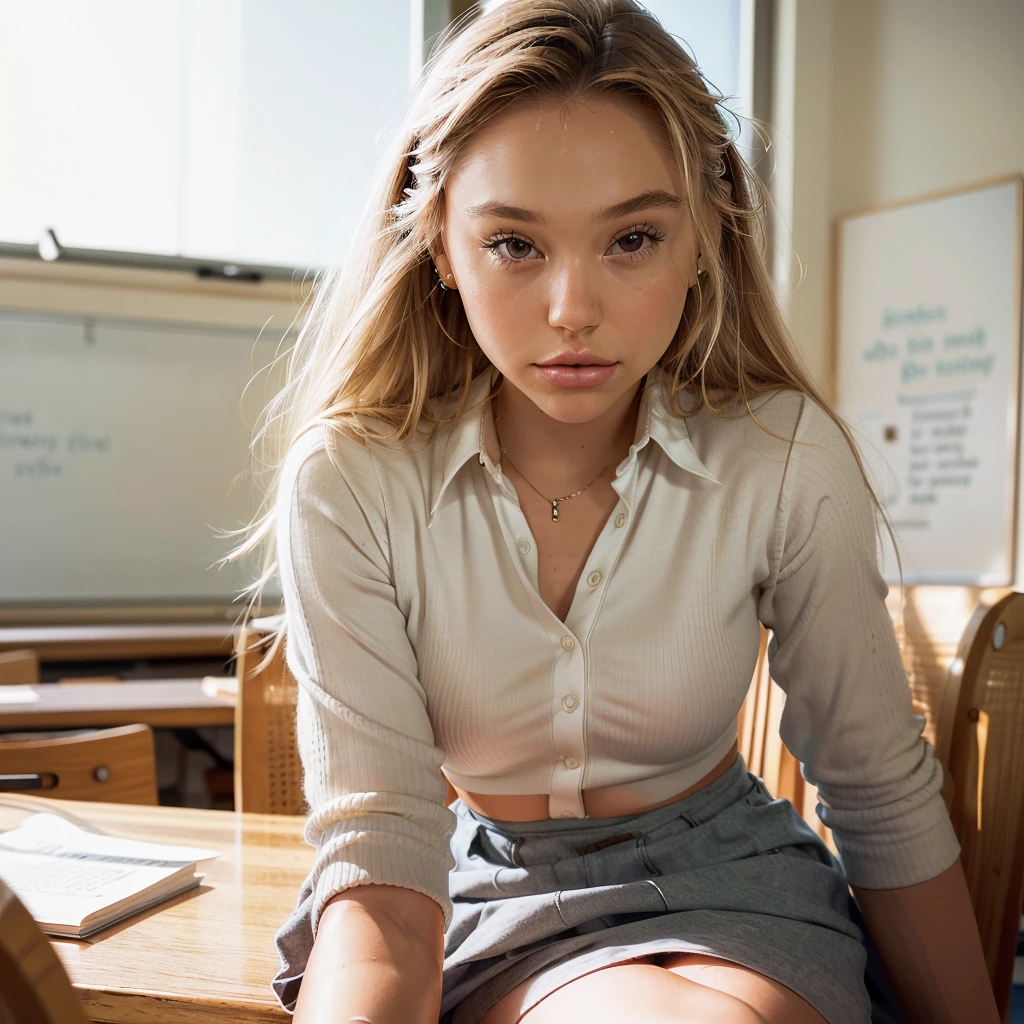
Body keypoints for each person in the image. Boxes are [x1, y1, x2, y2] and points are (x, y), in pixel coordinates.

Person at [225, 2, 998, 1021]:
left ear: (705, 242)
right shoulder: (352, 479)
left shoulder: (782, 454)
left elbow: (875, 787)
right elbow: (379, 874)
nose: (570, 309)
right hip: (468, 899)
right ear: (440, 245)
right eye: (513, 244)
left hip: (738, 883)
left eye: (631, 237)